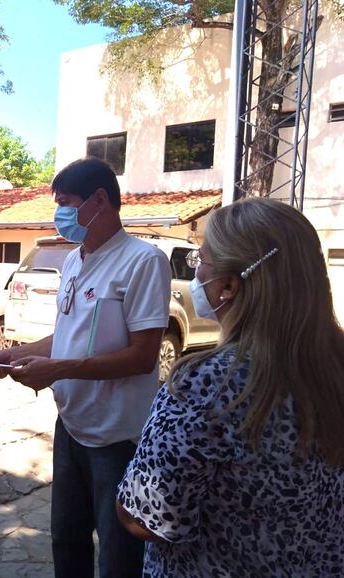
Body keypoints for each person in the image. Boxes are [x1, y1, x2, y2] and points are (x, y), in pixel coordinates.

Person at [116, 198, 344, 576]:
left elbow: (147, 518)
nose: (196, 273)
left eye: (200, 261)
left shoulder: (205, 385)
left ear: (227, 285)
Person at [0, 157, 171, 578]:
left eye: (65, 202)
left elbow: (143, 356)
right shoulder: (73, 259)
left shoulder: (143, 261)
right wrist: (13, 354)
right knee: (66, 539)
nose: (59, 213)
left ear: (100, 200)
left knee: (117, 551)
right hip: (71, 425)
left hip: (116, 436)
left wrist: (56, 370)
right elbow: (66, 335)